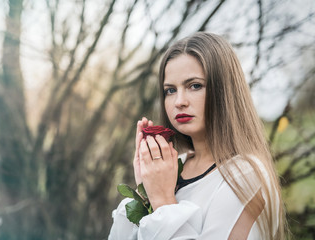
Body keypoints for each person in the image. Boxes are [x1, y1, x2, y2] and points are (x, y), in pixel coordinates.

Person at [108, 32, 285, 240]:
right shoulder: (175, 165)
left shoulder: (245, 175)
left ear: (225, 91)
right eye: (170, 90)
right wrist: (145, 193)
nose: (179, 101)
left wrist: (163, 199)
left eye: (195, 86)